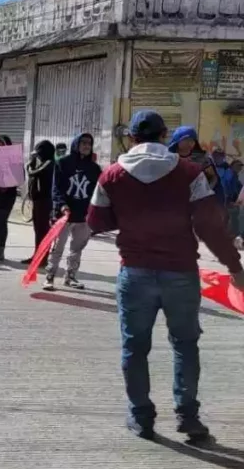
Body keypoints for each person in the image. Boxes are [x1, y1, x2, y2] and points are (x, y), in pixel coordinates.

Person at [87, 109, 244, 442]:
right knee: (185, 345)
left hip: (135, 273)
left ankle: (141, 417)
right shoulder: (190, 172)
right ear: (164, 136)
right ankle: (188, 418)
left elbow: (96, 222)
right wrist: (234, 267)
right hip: (181, 273)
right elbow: (210, 226)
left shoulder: (111, 175)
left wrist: (129, 218)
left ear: (131, 138)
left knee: (134, 347)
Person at [45, 133, 101, 291]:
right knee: (58, 247)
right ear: (76, 144)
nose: (86, 146)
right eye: (83, 142)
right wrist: (62, 205)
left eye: (89, 143)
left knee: (77, 249)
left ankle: (70, 276)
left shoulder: (94, 168)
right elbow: (55, 188)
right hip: (64, 214)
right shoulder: (63, 163)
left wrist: (95, 211)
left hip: (83, 215)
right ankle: (50, 276)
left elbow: (97, 192)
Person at [169, 127, 224, 205]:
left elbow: (213, 179)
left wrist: (201, 194)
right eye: (186, 140)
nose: (190, 143)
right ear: (177, 140)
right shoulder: (168, 158)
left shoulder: (202, 159)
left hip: (198, 202)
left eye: (192, 140)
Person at [22, 140, 56, 264]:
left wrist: (30, 164)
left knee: (42, 230)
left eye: (38, 153)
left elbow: (33, 173)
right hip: (39, 200)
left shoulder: (49, 163)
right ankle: (38, 255)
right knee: (38, 230)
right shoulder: (45, 163)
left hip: (45, 201)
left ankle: (42, 257)